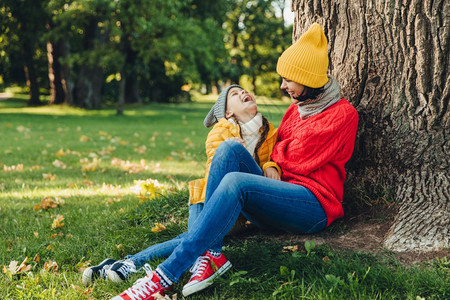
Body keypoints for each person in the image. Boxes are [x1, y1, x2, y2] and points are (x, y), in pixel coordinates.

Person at [110, 23, 359, 300]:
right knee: (228, 149)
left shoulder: (342, 114)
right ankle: (210, 254)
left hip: (313, 205)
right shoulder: (295, 110)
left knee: (234, 184)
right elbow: (281, 150)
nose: (282, 85)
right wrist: (272, 164)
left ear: (307, 78)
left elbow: (298, 159)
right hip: (276, 196)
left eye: (288, 79)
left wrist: (274, 162)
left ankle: (163, 276)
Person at [82, 85, 279, 287]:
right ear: (227, 113)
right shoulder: (220, 131)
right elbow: (215, 165)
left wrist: (271, 166)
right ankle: (131, 263)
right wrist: (230, 148)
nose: (243, 93)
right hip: (206, 198)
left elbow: (273, 158)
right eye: (235, 95)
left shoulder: (270, 132)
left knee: (197, 237)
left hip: (238, 208)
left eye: (244, 91)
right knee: (197, 238)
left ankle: (126, 263)